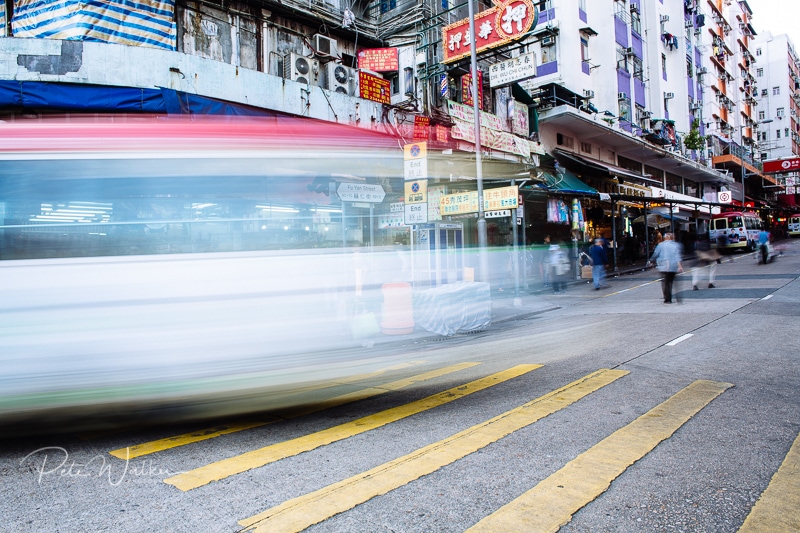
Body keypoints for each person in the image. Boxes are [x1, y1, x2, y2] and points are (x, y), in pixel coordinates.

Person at [647, 232, 683, 304]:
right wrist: (679, 266)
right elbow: (677, 256)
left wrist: (651, 260)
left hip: (663, 267)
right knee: (671, 282)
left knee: (665, 283)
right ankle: (678, 298)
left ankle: (667, 299)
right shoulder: (675, 245)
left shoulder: (660, 245)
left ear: (666, 237)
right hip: (673, 267)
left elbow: (655, 254)